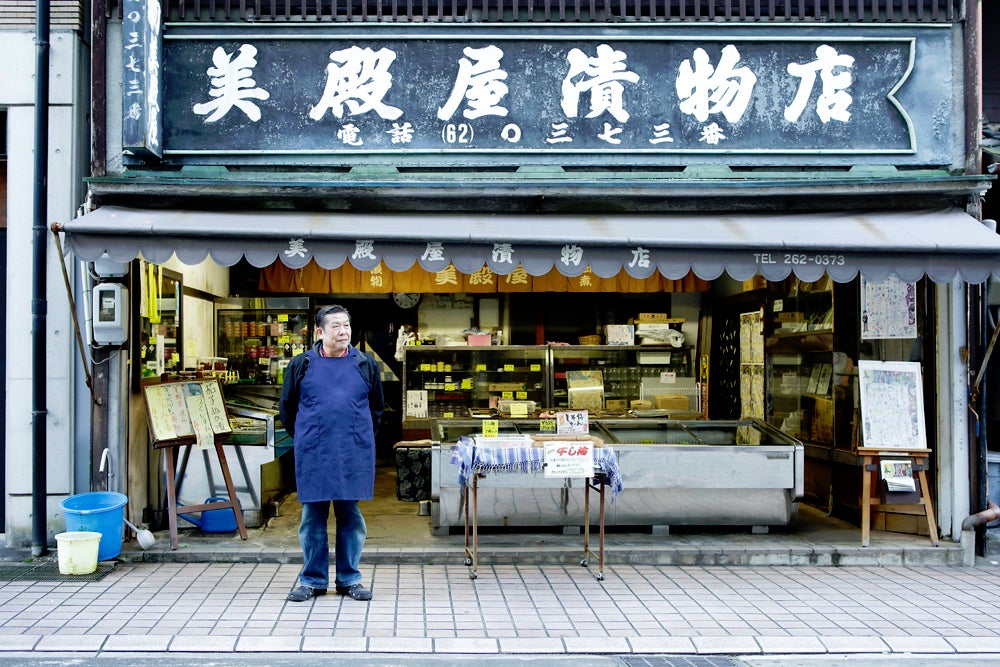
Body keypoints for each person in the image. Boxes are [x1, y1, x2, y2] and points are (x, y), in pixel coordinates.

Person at [279, 304, 384, 602]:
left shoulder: (365, 364)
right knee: (312, 518)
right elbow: (287, 410)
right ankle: (312, 580)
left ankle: (349, 579)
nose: (343, 331)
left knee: (350, 517)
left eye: (346, 325)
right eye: (336, 326)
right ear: (320, 332)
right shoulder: (301, 364)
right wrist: (307, 438)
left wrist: (358, 437)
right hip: (314, 452)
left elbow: (376, 409)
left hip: (352, 452)